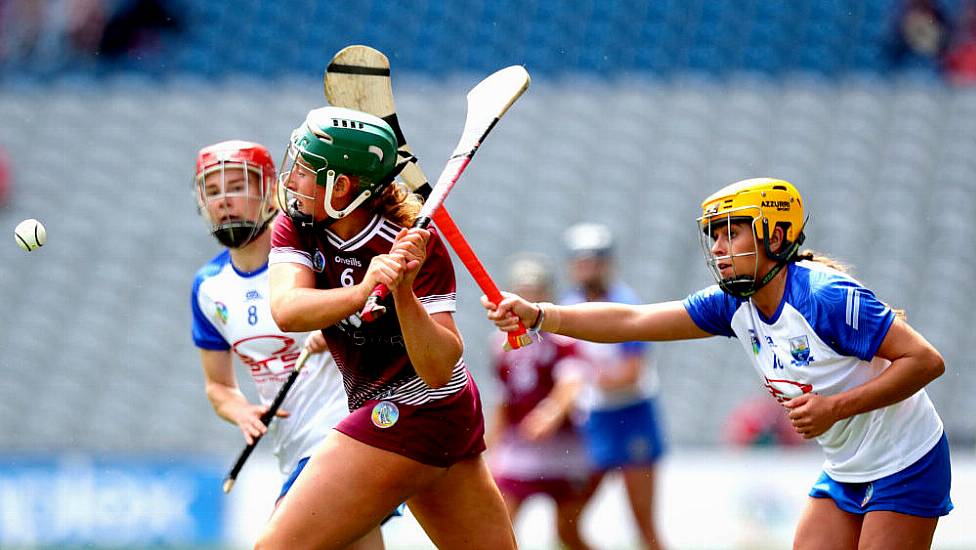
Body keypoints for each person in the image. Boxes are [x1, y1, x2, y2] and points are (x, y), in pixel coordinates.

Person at [485, 178, 952, 549]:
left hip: (905, 462)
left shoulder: (825, 296)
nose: (718, 248)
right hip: (847, 468)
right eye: (714, 236)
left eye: (733, 233)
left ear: (775, 234)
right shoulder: (734, 303)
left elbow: (926, 361)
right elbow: (634, 319)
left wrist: (836, 408)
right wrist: (542, 315)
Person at [256, 106, 516, 550]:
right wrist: (363, 290)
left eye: (305, 170)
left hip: (420, 409)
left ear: (341, 186)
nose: (292, 180)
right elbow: (288, 309)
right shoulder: (297, 226)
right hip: (402, 409)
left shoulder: (415, 243)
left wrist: (404, 292)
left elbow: (438, 365)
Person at [188, 140, 384, 550]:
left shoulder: (315, 256)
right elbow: (217, 387)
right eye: (213, 189)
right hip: (294, 448)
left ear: (270, 190)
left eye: (238, 185)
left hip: (346, 435)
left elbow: (379, 310)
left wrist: (338, 326)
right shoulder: (209, 289)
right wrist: (240, 411)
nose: (225, 200)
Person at [560, 222, 667, 550]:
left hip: (631, 415)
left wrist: (581, 380)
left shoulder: (624, 303)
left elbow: (632, 373)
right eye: (581, 261)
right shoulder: (567, 306)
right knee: (567, 524)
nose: (587, 269)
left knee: (643, 526)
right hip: (594, 420)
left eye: (593, 261)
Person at [487, 253, 596, 550]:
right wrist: (491, 448)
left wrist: (550, 413)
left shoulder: (562, 339)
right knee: (502, 527)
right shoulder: (501, 344)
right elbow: (503, 398)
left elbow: (571, 383)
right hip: (519, 448)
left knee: (568, 532)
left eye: (534, 292)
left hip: (563, 449)